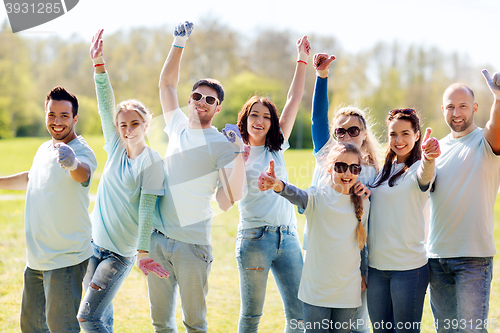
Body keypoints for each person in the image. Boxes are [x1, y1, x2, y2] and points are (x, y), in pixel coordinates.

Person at [147, 21, 246, 332]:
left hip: (192, 247)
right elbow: (165, 85)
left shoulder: (221, 143)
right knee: (161, 322)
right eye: (197, 96)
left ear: (217, 109)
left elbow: (230, 198)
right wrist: (179, 42)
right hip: (158, 242)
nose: (202, 102)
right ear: (190, 99)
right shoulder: (175, 124)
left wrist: (240, 154)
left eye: (210, 100)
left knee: (195, 323)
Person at [76, 29, 169, 333]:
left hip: (118, 254)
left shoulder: (152, 163)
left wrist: (142, 253)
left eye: (135, 123)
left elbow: (146, 211)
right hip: (92, 245)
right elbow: (106, 105)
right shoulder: (115, 148)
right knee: (100, 317)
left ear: (146, 124)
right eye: (123, 124)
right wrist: (99, 65)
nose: (128, 129)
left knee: (87, 318)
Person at [0, 86, 97, 332]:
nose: (57, 121)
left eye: (64, 115)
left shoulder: (82, 151)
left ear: (75, 118)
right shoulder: (44, 149)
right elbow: (30, 178)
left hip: (65, 258)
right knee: (31, 326)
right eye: (52, 114)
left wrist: (72, 162)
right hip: (36, 258)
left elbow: (82, 174)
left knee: (61, 327)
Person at [233, 36, 310, 332]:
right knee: (252, 315)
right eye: (255, 115)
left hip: (288, 237)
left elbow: (294, 100)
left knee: (300, 314)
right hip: (255, 239)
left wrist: (301, 60)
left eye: (266, 116)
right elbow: (231, 193)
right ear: (245, 118)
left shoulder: (277, 148)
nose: (260, 120)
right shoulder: (236, 152)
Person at [259, 144, 370, 333]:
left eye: (354, 168)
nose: (348, 173)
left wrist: (363, 272)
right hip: (316, 291)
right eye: (341, 167)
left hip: (347, 292)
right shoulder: (318, 196)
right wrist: (279, 185)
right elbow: (298, 195)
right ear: (329, 168)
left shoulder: (363, 201)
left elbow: (361, 245)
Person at [307, 52, 380, 333]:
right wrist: (322, 77)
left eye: (354, 130)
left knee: (355, 324)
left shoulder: (373, 171)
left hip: (355, 258)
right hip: (322, 253)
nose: (347, 135)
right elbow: (317, 119)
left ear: (363, 134)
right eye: (341, 131)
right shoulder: (326, 155)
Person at [428, 70, 500, 333]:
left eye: (463, 106)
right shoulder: (436, 148)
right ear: (443, 109)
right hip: (437, 258)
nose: (456, 113)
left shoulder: (485, 140)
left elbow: (496, 126)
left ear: (475, 108)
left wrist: (499, 99)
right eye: (450, 107)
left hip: (473, 259)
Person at [367, 108, 440, 333]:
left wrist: (429, 158)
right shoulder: (381, 171)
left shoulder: (419, 167)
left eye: (405, 133)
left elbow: (425, 176)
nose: (398, 140)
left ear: (417, 135)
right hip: (376, 269)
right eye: (393, 134)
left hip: (409, 270)